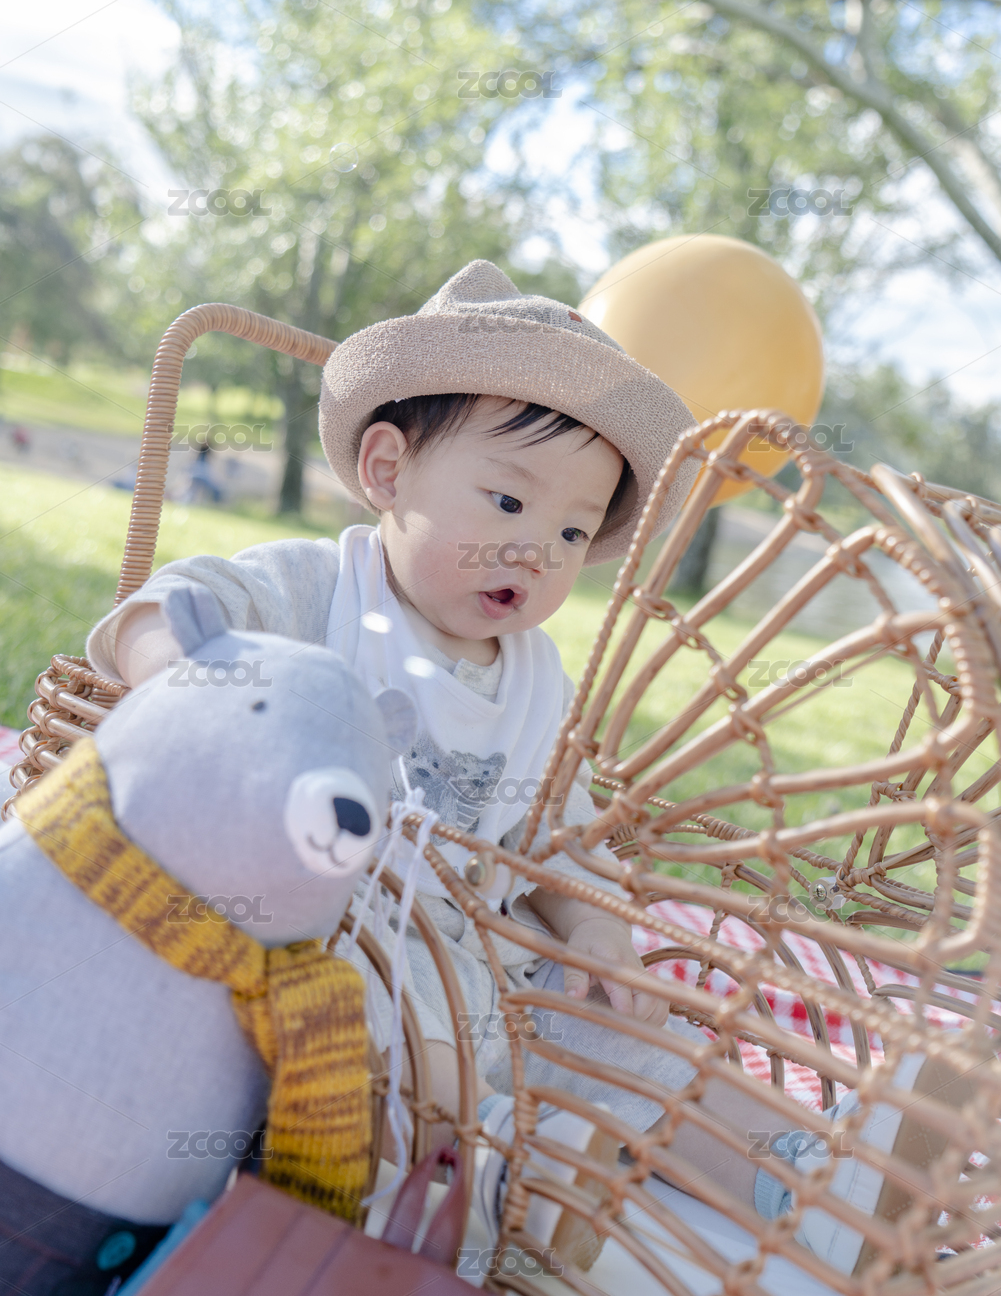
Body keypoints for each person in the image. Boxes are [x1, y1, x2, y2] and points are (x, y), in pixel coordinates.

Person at [85, 261, 972, 1280]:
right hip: (326, 931)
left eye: (569, 531)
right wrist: (188, 681)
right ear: (387, 470)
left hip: (489, 971)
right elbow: (176, 608)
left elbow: (557, 832)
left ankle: (810, 1183)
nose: (538, 551)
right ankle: (513, 1190)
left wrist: (594, 932)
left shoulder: (533, 680)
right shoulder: (321, 588)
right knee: (392, 1046)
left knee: (642, 1038)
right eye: (507, 500)